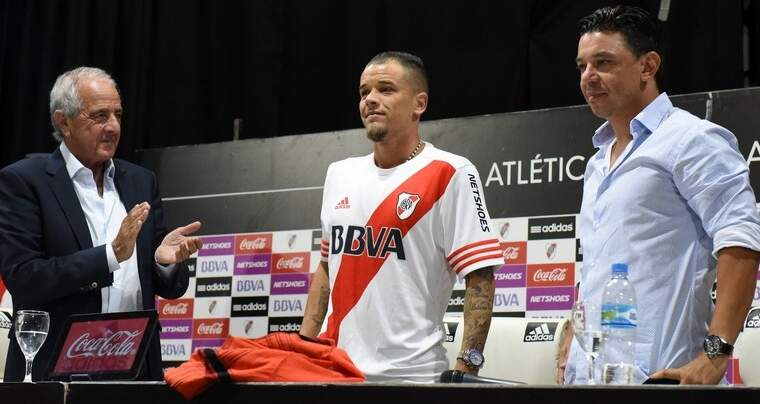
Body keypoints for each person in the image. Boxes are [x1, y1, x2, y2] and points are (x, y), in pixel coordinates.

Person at [564, 6, 760, 384]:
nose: (589, 77)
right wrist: (572, 338)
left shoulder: (692, 139)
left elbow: (741, 241)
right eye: (582, 66)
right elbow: (602, 263)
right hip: (588, 378)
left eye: (603, 62)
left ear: (648, 66)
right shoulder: (596, 163)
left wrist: (716, 354)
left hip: (664, 379)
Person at [299, 51, 502, 382]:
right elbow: (326, 266)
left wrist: (467, 368)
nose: (371, 100)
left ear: (419, 104)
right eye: (365, 92)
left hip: (412, 378)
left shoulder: (451, 172)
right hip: (332, 371)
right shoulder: (339, 173)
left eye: (386, 89)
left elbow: (480, 278)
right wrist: (303, 349)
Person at [0, 67, 203, 381]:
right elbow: (25, 278)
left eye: (118, 114)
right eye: (99, 116)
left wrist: (164, 262)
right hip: (56, 372)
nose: (113, 126)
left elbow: (164, 284)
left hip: (136, 368)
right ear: (62, 121)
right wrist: (110, 255)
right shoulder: (25, 181)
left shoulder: (140, 180)